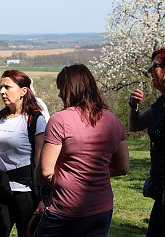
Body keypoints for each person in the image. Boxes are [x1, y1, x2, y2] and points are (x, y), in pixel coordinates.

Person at [34, 64, 130, 237]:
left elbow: (45, 171)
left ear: (69, 90)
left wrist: (39, 181)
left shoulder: (60, 120)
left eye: (61, 89)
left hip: (65, 211)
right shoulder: (113, 121)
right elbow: (123, 167)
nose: (59, 94)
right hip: (102, 211)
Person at [0, 70, 46, 237]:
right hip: (2, 188)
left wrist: (45, 198)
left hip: (27, 193)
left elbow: (41, 161)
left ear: (23, 91)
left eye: (7, 87)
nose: (2, 91)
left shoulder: (36, 119)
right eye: (1, 87)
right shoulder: (1, 116)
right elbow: (0, 148)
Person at [128, 48, 165, 236]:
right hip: (159, 189)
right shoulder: (161, 103)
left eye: (154, 66)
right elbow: (136, 125)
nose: (150, 72)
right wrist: (134, 106)